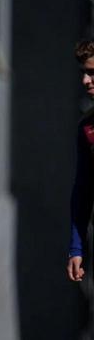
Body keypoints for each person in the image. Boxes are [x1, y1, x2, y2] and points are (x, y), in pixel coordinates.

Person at [67, 40, 94, 284]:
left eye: (92, 73)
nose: (86, 80)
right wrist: (76, 247)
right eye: (84, 73)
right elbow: (83, 190)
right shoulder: (86, 127)